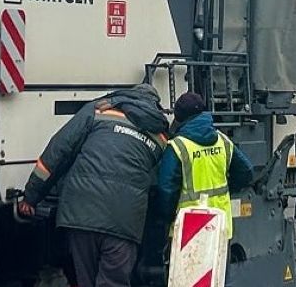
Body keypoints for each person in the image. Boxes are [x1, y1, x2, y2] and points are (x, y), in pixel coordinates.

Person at [20, 84, 169, 287]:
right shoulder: (160, 136)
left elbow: (58, 152)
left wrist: (31, 197)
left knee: (85, 280)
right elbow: (159, 182)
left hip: (81, 211)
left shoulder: (98, 110)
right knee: (114, 282)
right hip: (124, 220)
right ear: (155, 106)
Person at [156, 92, 254, 241]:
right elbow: (246, 172)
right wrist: (227, 189)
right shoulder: (222, 140)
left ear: (180, 119)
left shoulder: (177, 147)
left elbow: (166, 190)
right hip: (220, 227)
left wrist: (165, 220)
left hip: (189, 231)